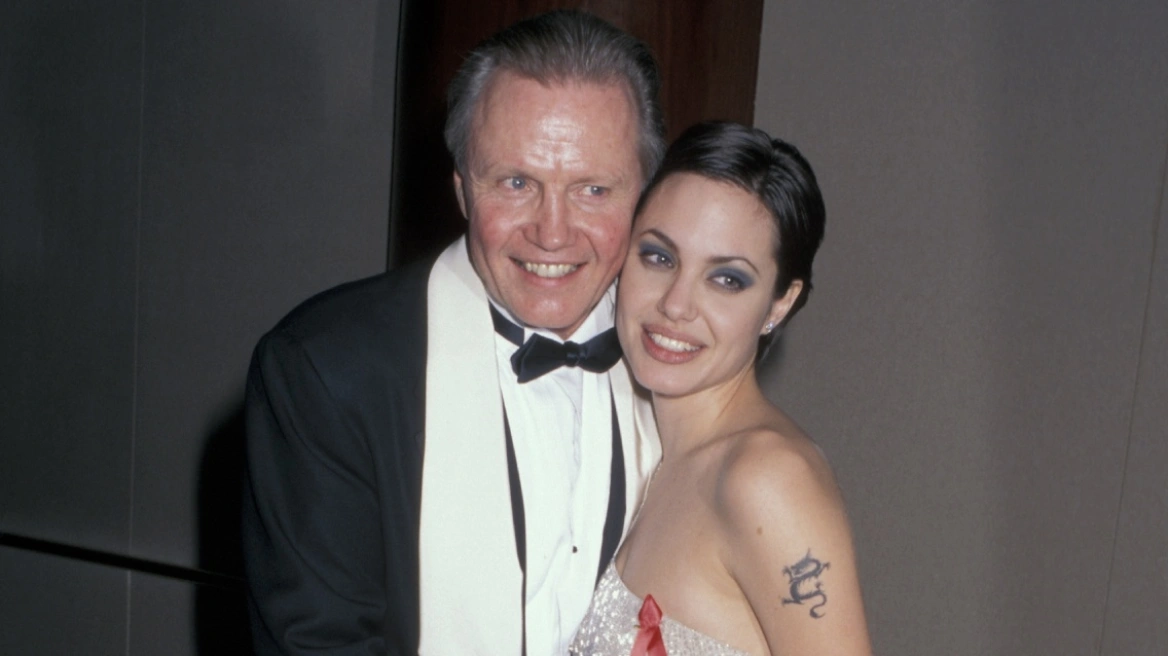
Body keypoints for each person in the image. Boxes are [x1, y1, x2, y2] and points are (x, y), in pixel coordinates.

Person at [241, 10, 665, 655]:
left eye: (594, 190)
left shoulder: (679, 363)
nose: (552, 233)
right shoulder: (327, 370)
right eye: (516, 183)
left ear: (645, 197)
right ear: (463, 189)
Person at [570, 122, 872, 655]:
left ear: (780, 303)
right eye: (659, 257)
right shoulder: (642, 446)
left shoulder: (767, 479)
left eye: (727, 279)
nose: (676, 304)